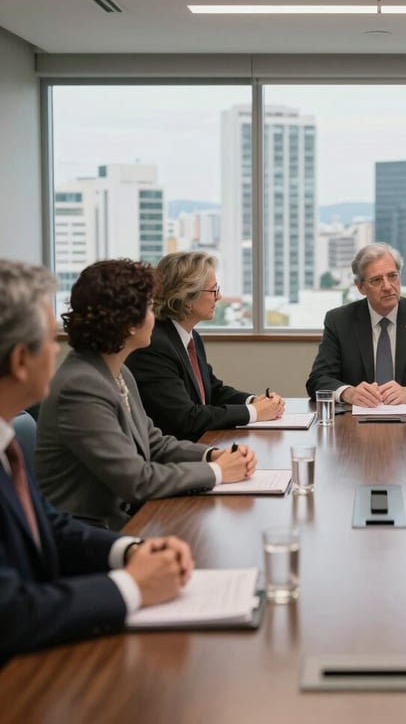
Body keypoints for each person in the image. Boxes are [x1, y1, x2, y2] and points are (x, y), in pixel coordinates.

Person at [0, 259, 195, 664]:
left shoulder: (5, 444)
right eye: (49, 339)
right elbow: (10, 612)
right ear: (20, 360)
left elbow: (49, 527)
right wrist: (132, 585)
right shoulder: (78, 383)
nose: (57, 348)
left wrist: (131, 551)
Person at [35, 259, 257, 530]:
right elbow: (137, 481)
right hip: (93, 533)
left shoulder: (118, 372)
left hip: (126, 519)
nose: (156, 316)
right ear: (129, 323)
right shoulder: (81, 386)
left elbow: (154, 443)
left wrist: (212, 455)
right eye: (150, 307)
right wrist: (218, 472)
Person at [126, 251, 285, 442]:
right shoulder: (154, 346)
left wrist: (254, 401)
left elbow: (213, 390)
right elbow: (186, 418)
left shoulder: (191, 337)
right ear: (187, 297)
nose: (219, 297)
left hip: (201, 444)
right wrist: (254, 412)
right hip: (175, 452)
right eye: (213, 290)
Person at [306, 242, 406, 406]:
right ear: (360, 287)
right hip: (356, 418)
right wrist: (349, 393)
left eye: (392, 276)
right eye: (376, 280)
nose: (387, 286)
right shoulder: (339, 321)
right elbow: (318, 379)